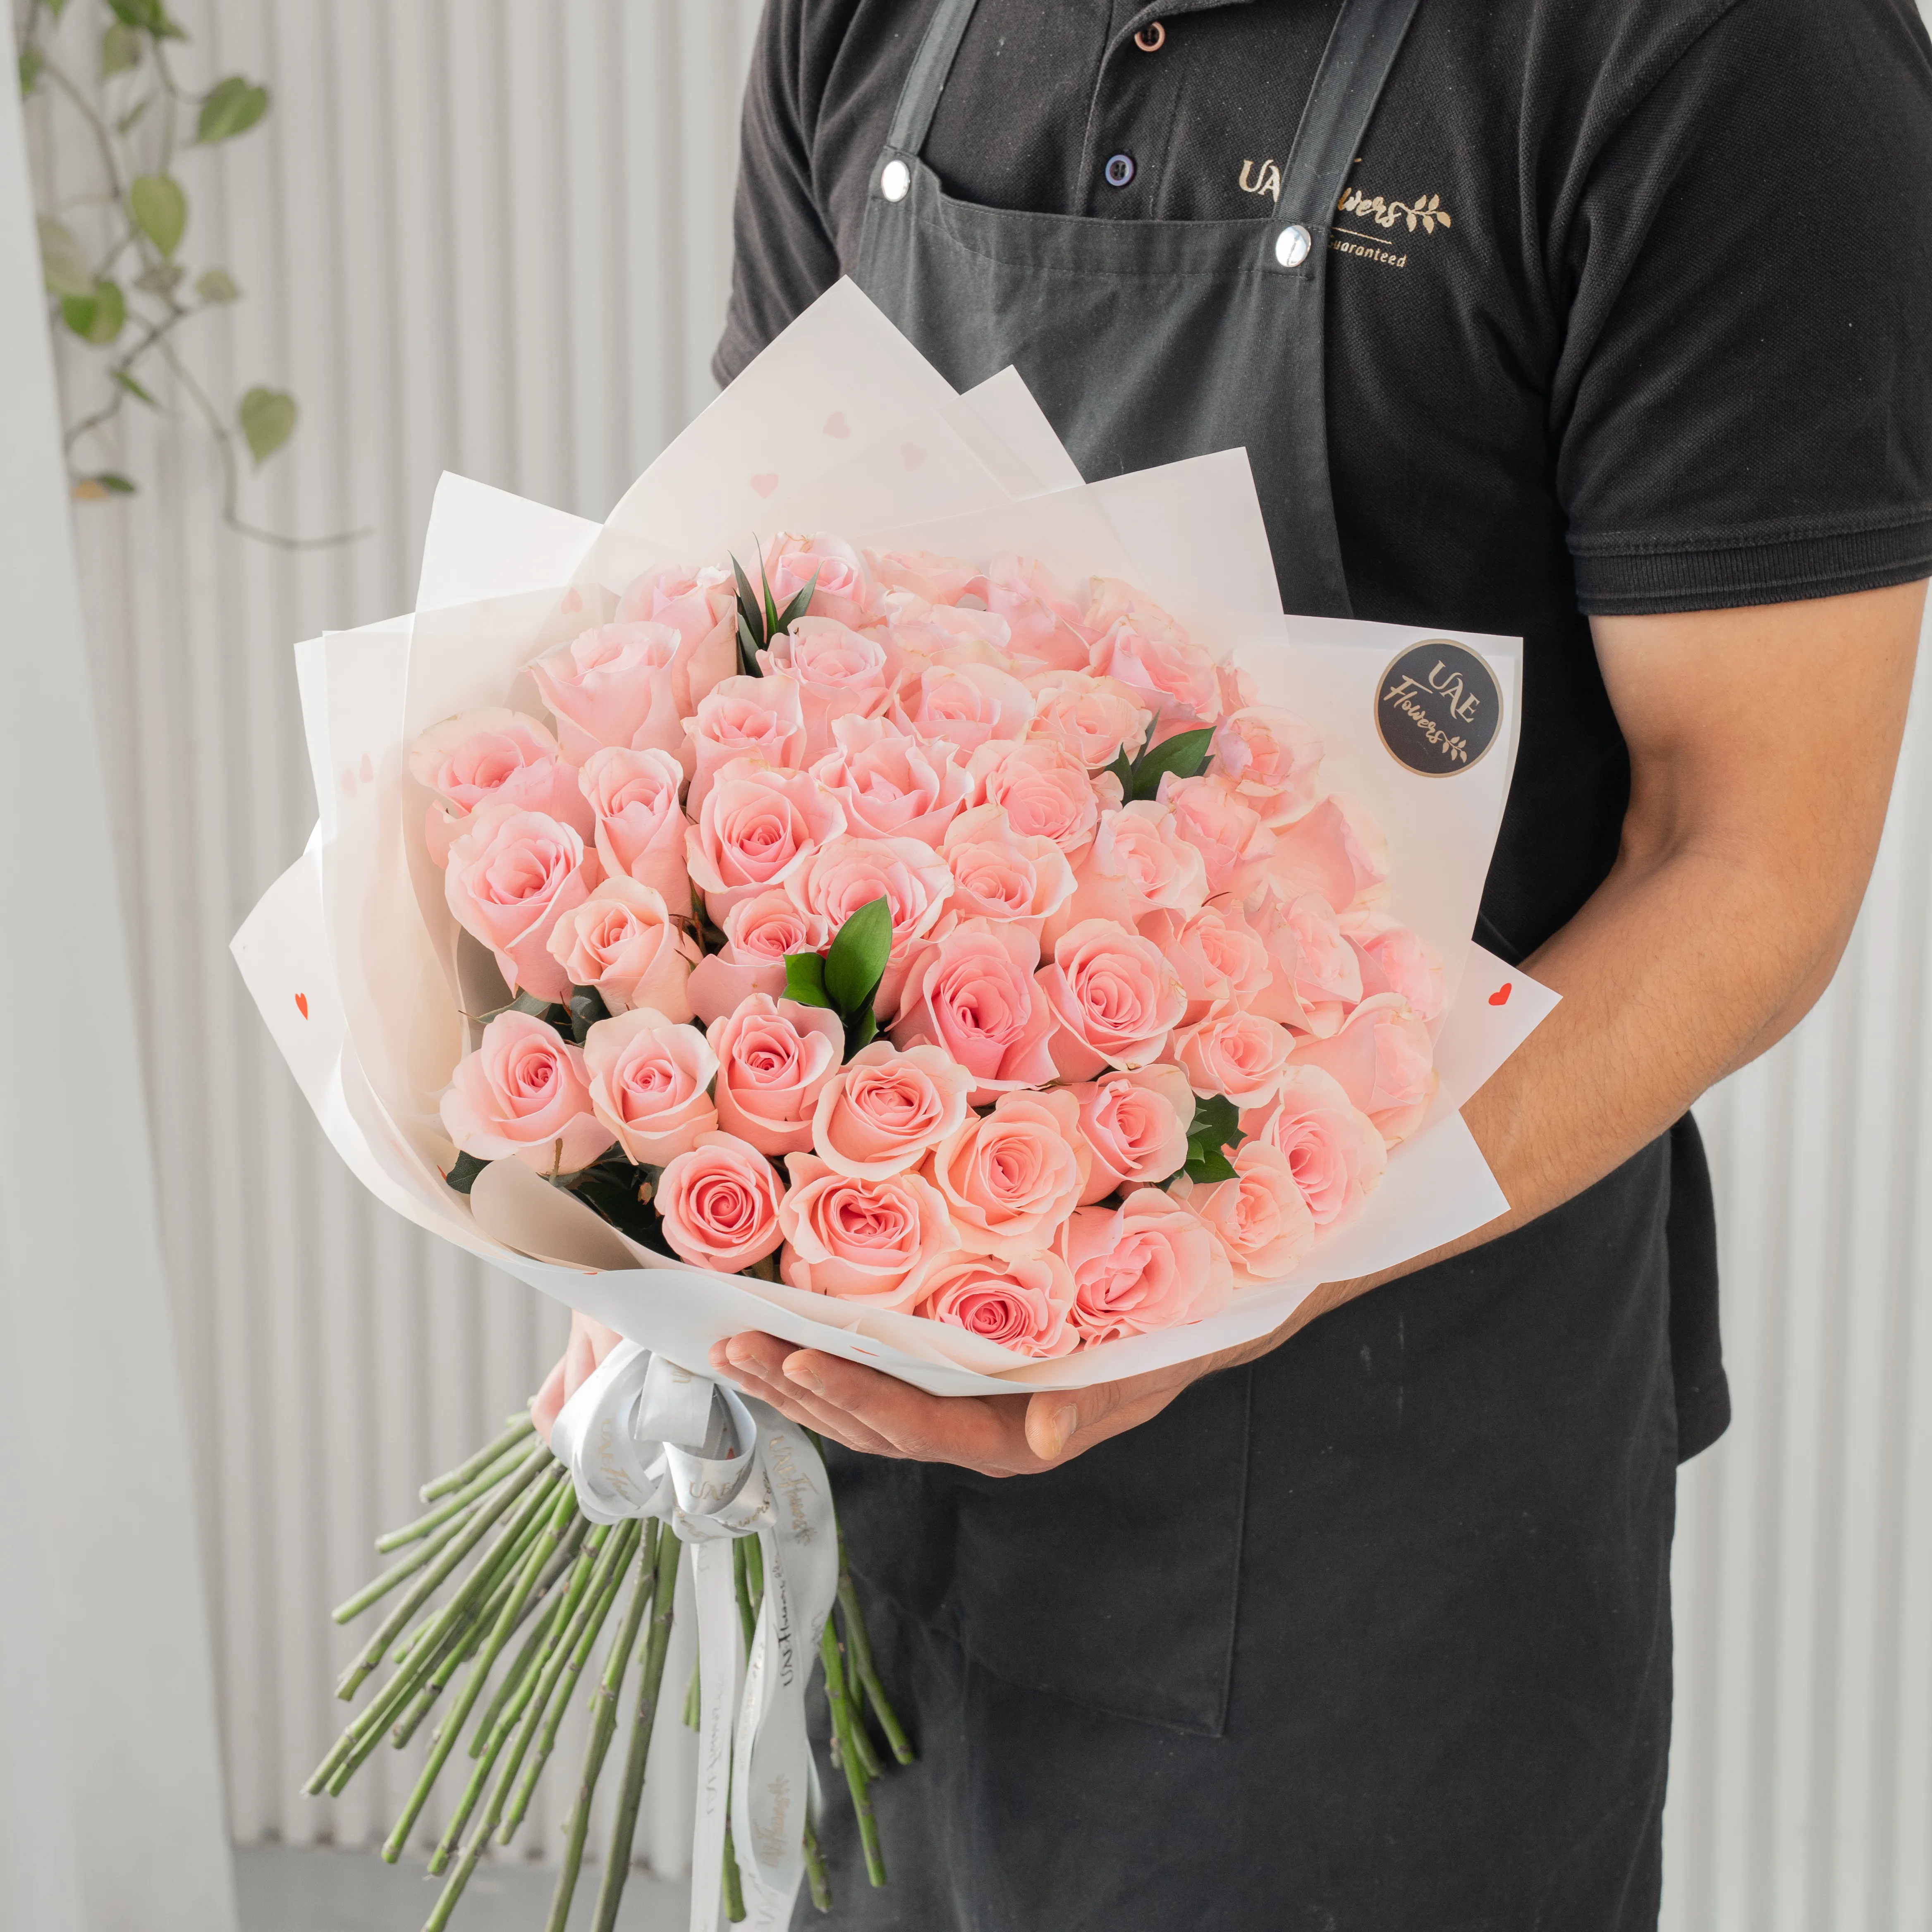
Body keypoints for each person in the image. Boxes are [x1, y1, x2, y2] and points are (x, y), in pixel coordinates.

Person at [535, 2, 1932, 1925]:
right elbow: (755, 627)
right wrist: (641, 1186)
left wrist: (1243, 1260)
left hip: (1395, 1493)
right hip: (870, 1429)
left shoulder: (1715, 56)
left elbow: (1744, 856)